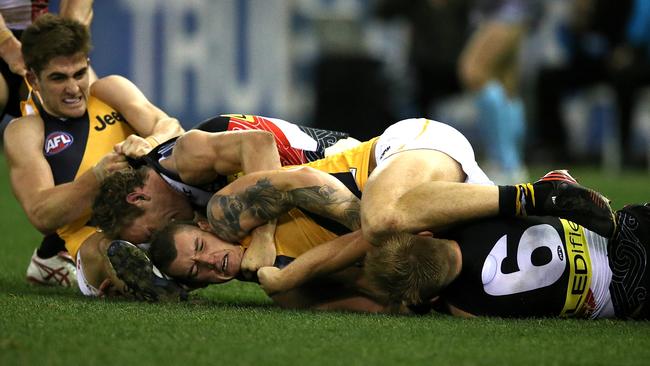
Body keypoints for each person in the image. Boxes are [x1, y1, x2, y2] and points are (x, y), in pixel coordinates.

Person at [3, 14, 184, 292]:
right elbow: (41, 214)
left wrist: (151, 142)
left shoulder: (109, 90)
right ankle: (147, 277)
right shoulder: (26, 131)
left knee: (202, 157)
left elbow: (172, 127)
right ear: (33, 80)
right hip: (93, 237)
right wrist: (96, 177)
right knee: (106, 250)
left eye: (79, 73)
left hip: (159, 212)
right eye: (58, 78)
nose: (73, 88)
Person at [85, 114, 352, 297]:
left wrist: (263, 236)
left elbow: (259, 142)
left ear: (138, 198)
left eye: (149, 233)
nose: (158, 236)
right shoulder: (187, 200)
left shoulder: (185, 159)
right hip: (318, 195)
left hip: (344, 167)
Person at [0, 1, 95, 288]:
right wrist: (7, 45)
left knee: (97, 120)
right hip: (8, 43)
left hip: (41, 44)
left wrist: (65, 40)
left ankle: (55, 251)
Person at [458, 0, 541, 183]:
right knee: (505, 83)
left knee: (473, 71)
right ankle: (513, 164)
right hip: (516, 12)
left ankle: (504, 163)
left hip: (504, 12)